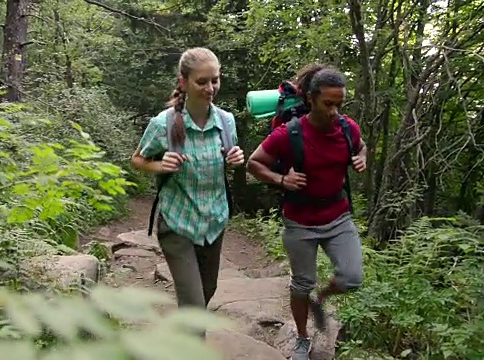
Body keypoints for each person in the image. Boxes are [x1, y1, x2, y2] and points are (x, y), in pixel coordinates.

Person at [246, 64, 367, 360]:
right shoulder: (290, 133)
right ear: (311, 99)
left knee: (352, 277)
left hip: (338, 216)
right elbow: (254, 163)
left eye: (340, 104)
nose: (335, 111)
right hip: (299, 220)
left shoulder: (348, 128)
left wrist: (361, 158)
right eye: (328, 104)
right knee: (301, 284)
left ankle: (320, 299)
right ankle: (302, 338)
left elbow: (362, 146)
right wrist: (281, 179)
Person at [130, 47, 245, 337]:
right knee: (195, 309)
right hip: (177, 223)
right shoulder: (164, 124)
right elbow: (137, 160)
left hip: (214, 221)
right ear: (183, 82)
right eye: (202, 82)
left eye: (215, 80)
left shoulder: (226, 122)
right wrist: (160, 166)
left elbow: (226, 160)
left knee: (206, 293)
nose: (210, 88)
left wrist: (235, 159)